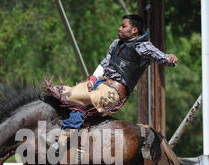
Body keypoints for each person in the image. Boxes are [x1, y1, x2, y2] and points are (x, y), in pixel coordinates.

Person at [45, 14, 178, 150]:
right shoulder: (116, 43)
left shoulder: (143, 46)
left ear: (134, 31)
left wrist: (170, 58)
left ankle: (64, 136)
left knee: (82, 99)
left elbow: (161, 57)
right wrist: (93, 78)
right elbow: (105, 63)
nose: (119, 29)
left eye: (123, 26)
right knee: (65, 92)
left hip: (114, 91)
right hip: (99, 83)